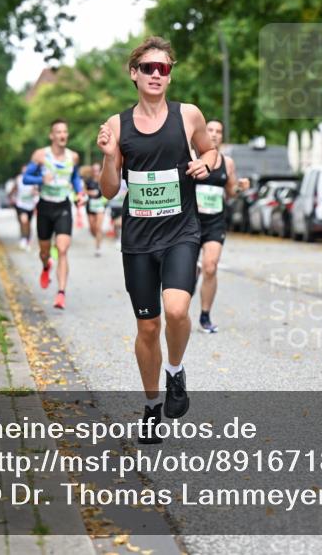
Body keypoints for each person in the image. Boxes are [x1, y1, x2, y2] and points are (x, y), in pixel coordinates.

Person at [97, 35, 218, 444]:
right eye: (148, 68)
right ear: (134, 74)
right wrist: (110, 156)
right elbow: (109, 190)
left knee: (177, 310)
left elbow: (211, 152)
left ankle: (175, 371)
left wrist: (204, 162)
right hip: (138, 240)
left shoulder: (188, 115)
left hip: (181, 232)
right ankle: (151, 406)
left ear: (170, 75)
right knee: (148, 327)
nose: (156, 74)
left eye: (163, 68)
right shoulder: (118, 125)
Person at [23, 118, 85, 310]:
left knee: (62, 248)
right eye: (58, 132)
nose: (62, 135)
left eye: (65, 131)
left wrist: (79, 192)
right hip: (45, 207)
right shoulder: (41, 155)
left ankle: (61, 293)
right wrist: (41, 178)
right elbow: (26, 178)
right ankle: (45, 265)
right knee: (44, 251)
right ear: (52, 135)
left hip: (63, 206)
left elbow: (74, 177)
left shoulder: (73, 157)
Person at [194, 120, 249, 333]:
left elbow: (231, 192)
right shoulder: (193, 158)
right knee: (189, 272)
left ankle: (205, 315)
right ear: (203, 133)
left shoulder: (228, 162)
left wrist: (241, 187)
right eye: (210, 130)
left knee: (210, 266)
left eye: (219, 131)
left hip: (215, 222)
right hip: (191, 222)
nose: (215, 134)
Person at [9, 163, 39, 250]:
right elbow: (14, 189)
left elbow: (36, 191)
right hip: (20, 204)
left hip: (30, 205)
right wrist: (10, 196)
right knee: (23, 221)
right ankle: (23, 238)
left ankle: (28, 238)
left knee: (28, 223)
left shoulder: (33, 180)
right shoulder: (19, 179)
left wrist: (35, 193)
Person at [84, 162, 107, 256]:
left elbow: (108, 190)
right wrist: (90, 193)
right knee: (92, 229)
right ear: (92, 171)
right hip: (90, 205)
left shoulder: (103, 179)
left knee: (98, 227)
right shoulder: (88, 180)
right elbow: (83, 190)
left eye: (97, 170)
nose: (96, 172)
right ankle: (98, 237)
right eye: (94, 170)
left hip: (100, 205)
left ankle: (98, 247)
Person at [107, 178, 128, 250]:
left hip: (122, 205)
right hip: (113, 205)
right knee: (115, 224)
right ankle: (118, 238)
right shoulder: (112, 180)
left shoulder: (125, 181)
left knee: (120, 223)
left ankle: (120, 239)